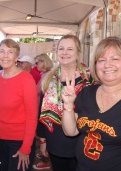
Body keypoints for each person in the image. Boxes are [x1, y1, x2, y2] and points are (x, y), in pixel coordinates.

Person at [61, 36, 121, 171]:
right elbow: (71, 131)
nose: (107, 65)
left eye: (115, 59)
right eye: (101, 60)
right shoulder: (86, 93)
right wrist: (68, 106)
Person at [36, 35, 94, 171]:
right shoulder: (49, 79)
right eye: (61, 49)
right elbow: (41, 111)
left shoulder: (90, 80)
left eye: (70, 49)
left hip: (82, 143)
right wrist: (43, 140)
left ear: (78, 53)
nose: (65, 52)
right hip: (55, 143)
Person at [0, 38, 38, 171]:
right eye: (2, 51)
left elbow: (32, 116)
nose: (5, 56)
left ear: (17, 57)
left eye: (10, 52)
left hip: (20, 140)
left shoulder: (26, 79)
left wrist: (26, 148)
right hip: (1, 139)